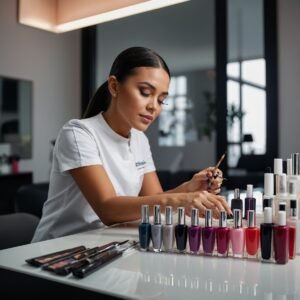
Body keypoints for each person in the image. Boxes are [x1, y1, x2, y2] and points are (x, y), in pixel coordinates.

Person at [32, 46, 231, 242]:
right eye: (145, 92)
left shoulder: (139, 139)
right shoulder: (78, 133)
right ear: (114, 86)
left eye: (161, 100)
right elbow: (108, 209)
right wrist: (181, 200)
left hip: (104, 245)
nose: (154, 106)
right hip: (57, 249)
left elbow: (153, 199)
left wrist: (189, 188)